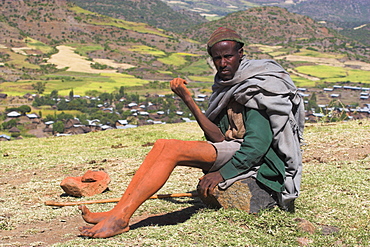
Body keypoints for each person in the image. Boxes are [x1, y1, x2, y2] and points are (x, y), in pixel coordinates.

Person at [78, 27, 304, 238]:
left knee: (172, 150)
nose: (223, 63)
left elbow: (258, 144)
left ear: (241, 53)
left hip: (258, 157)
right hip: (236, 148)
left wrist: (223, 174)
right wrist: (188, 99)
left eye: (228, 56)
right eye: (217, 58)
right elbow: (217, 137)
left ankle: (120, 219)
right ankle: (118, 212)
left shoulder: (256, 84)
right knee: (162, 145)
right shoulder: (229, 84)